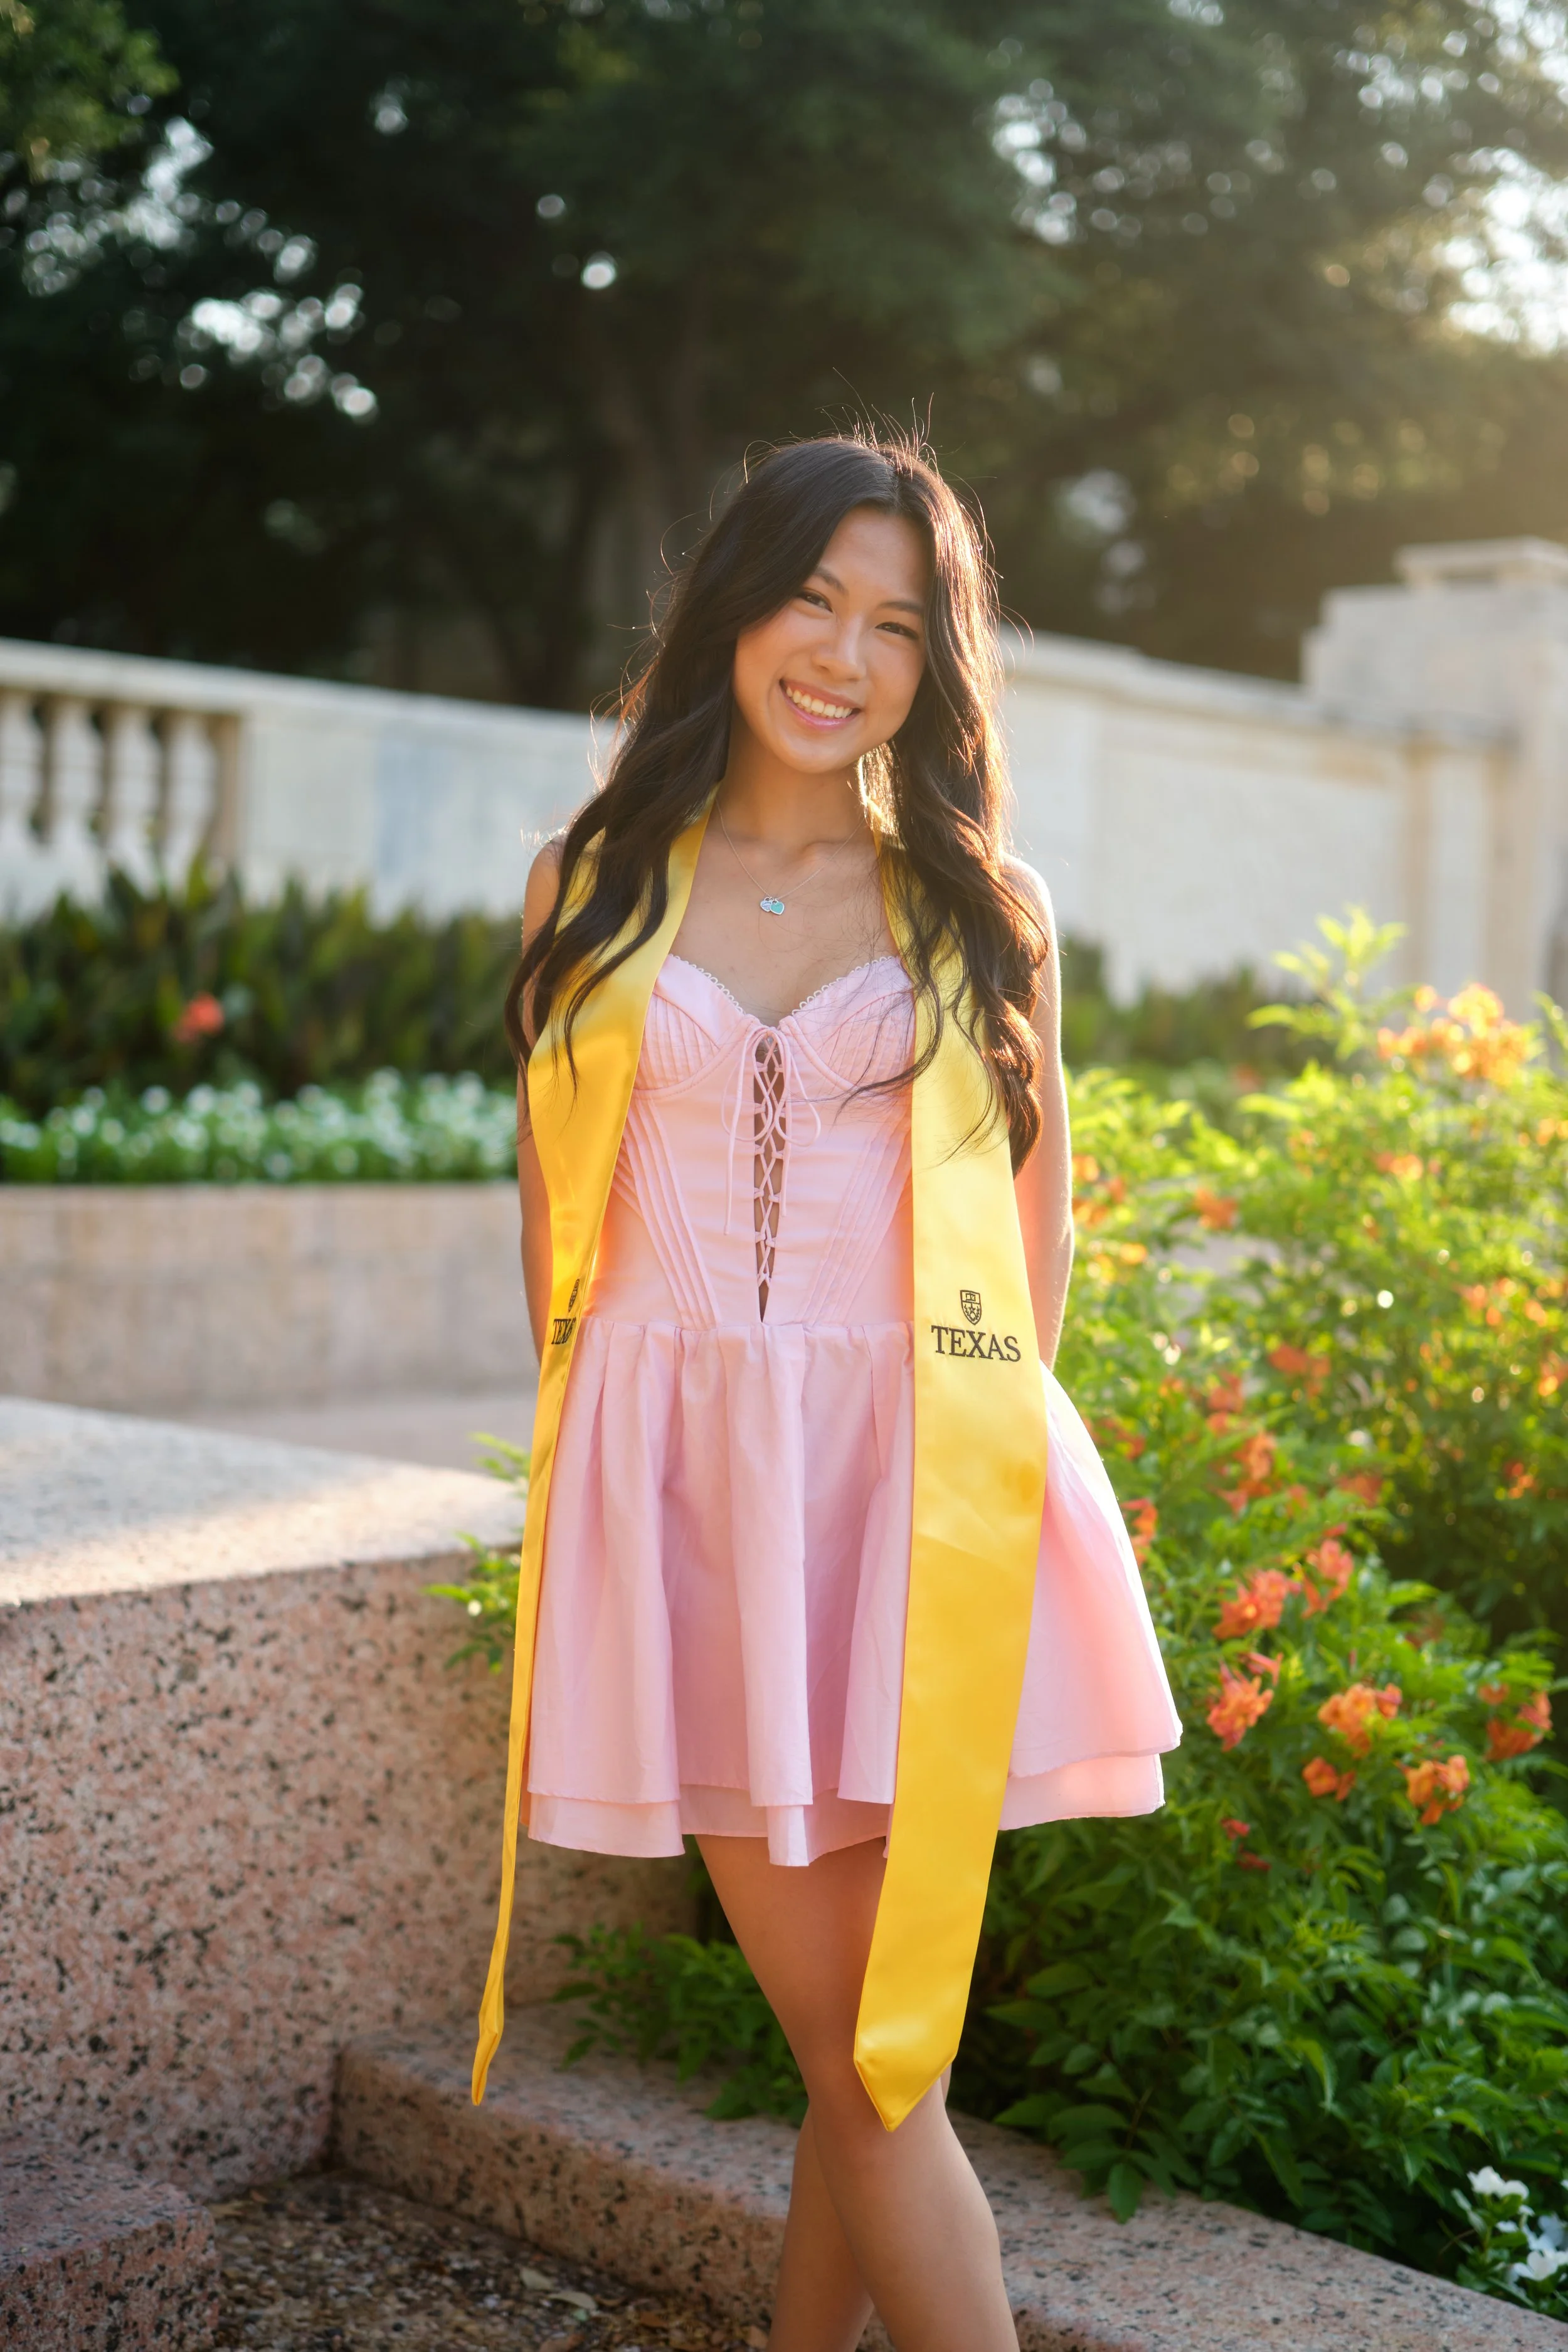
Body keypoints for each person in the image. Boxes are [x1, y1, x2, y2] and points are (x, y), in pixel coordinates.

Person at [475, 433, 1180, 2351]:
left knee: (872, 2058)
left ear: (929, 669)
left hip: (917, 1508)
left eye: (893, 624)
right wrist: (610, 1506)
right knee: (874, 2061)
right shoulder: (595, 880)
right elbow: (558, 1237)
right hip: (696, 1499)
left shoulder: (975, 899)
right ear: (733, 604)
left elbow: (1034, 1261)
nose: (842, 655)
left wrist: (981, 1515)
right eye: (812, 599)